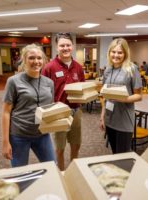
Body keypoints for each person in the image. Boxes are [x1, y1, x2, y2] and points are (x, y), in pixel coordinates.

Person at [2, 44, 56, 167]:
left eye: (39, 58)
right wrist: (5, 142)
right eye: (31, 58)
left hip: (42, 134)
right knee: (20, 173)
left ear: (43, 60)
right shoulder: (13, 81)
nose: (36, 61)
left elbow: (49, 108)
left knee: (52, 167)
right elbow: (6, 112)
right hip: (19, 135)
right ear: (24, 60)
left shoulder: (49, 83)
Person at [41, 32, 85, 170]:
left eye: (68, 45)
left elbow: (82, 87)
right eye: (62, 45)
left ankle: (73, 171)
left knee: (76, 145)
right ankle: (61, 174)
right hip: (58, 114)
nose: (65, 48)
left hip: (76, 111)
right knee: (59, 148)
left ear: (72, 46)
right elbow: (43, 92)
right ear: (56, 47)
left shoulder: (78, 67)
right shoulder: (49, 67)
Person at [100, 38, 143, 154]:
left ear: (125, 53)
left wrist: (123, 98)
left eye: (120, 52)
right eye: (113, 52)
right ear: (109, 53)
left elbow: (139, 96)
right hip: (110, 119)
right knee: (115, 153)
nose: (116, 55)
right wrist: (102, 115)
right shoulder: (108, 70)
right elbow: (104, 95)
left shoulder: (131, 69)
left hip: (124, 120)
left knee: (123, 155)